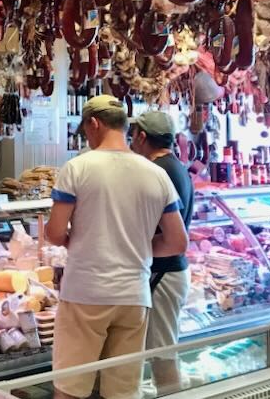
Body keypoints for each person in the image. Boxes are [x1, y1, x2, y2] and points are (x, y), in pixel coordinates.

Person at [45, 95, 188, 399]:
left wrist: (80, 241)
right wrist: (138, 249)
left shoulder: (77, 167)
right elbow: (177, 242)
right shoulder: (156, 173)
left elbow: (55, 233)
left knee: (71, 389)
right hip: (135, 295)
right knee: (123, 392)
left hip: (86, 292)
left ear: (93, 124)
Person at [130, 111, 194, 393]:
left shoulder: (159, 171)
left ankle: (171, 394)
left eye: (133, 135)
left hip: (165, 273)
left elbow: (168, 236)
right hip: (168, 271)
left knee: (163, 351)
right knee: (158, 347)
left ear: (142, 137)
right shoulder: (175, 166)